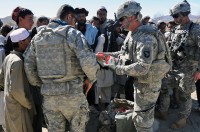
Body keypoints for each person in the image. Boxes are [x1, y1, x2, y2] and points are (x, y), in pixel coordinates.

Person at [96, 1, 171, 131]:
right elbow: (123, 53)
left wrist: (117, 68)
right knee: (139, 116)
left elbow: (142, 67)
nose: (120, 23)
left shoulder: (145, 37)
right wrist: (105, 55)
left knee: (142, 122)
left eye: (121, 19)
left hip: (148, 85)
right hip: (140, 82)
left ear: (131, 17)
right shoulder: (132, 34)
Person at [23, 4, 99, 132]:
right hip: (72, 95)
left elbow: (28, 66)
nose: (74, 23)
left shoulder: (38, 37)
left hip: (49, 96)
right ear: (69, 16)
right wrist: (91, 79)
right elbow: (88, 61)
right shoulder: (72, 33)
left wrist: (43, 84)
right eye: (74, 20)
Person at [157, 0, 200, 129]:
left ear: (185, 14)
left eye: (176, 16)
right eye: (173, 16)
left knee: (185, 94)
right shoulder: (175, 29)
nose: (174, 19)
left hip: (188, 68)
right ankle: (163, 111)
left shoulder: (195, 29)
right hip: (173, 67)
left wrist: (198, 70)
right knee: (164, 88)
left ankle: (183, 118)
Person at [0, 28, 35, 132]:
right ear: (21, 42)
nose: (30, 44)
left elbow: (1, 80)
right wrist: (29, 104)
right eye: (29, 41)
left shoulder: (9, 57)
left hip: (10, 106)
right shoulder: (18, 61)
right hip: (19, 108)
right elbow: (16, 90)